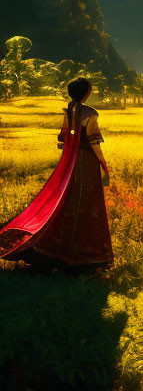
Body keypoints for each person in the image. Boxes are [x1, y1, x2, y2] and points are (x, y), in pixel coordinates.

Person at [0, 77, 113, 268]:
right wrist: (103, 163)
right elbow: (93, 142)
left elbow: (64, 140)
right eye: (90, 89)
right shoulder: (90, 113)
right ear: (86, 92)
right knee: (86, 204)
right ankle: (82, 253)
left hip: (72, 162)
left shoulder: (69, 111)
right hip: (86, 163)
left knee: (69, 201)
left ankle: (61, 247)